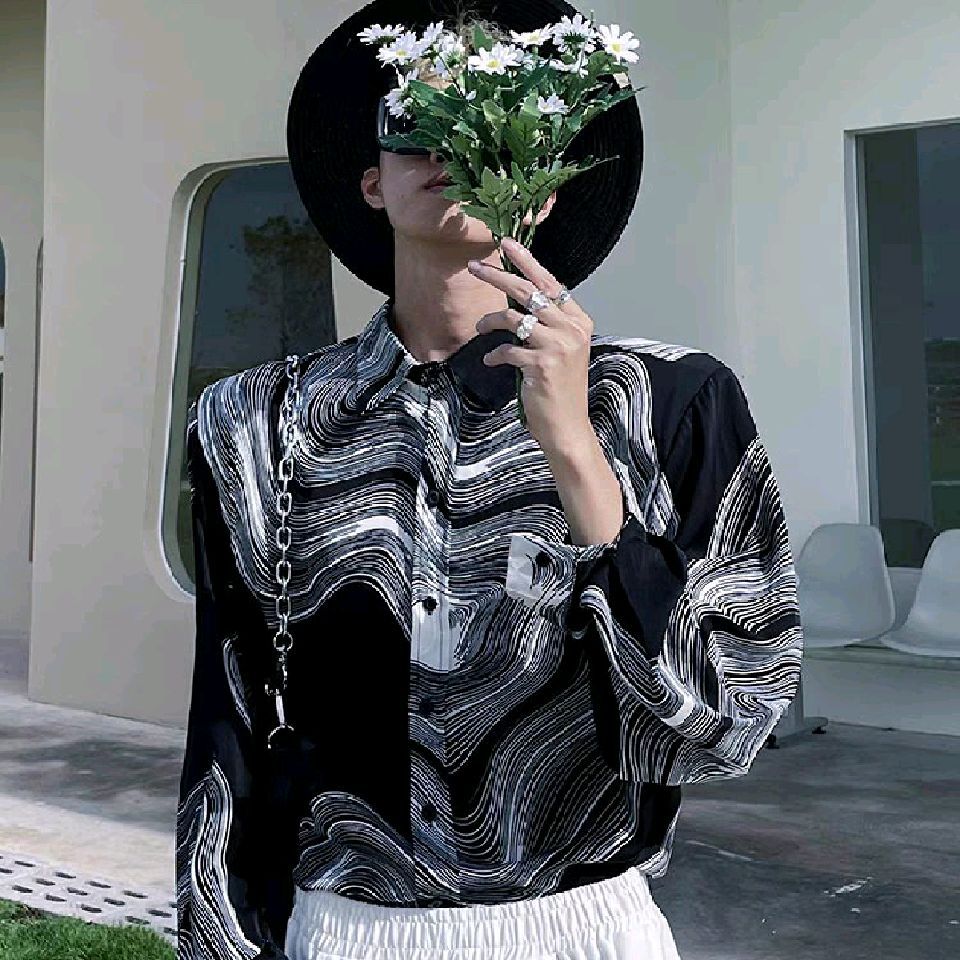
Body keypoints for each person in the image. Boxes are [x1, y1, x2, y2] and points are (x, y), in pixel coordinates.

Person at [176, 2, 804, 959]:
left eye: (492, 121)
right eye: (415, 121)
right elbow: (228, 715)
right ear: (371, 181)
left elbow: (722, 726)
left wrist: (576, 450)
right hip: (347, 929)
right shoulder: (255, 424)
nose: (450, 143)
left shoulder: (674, 403)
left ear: (541, 190)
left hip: (581, 928)